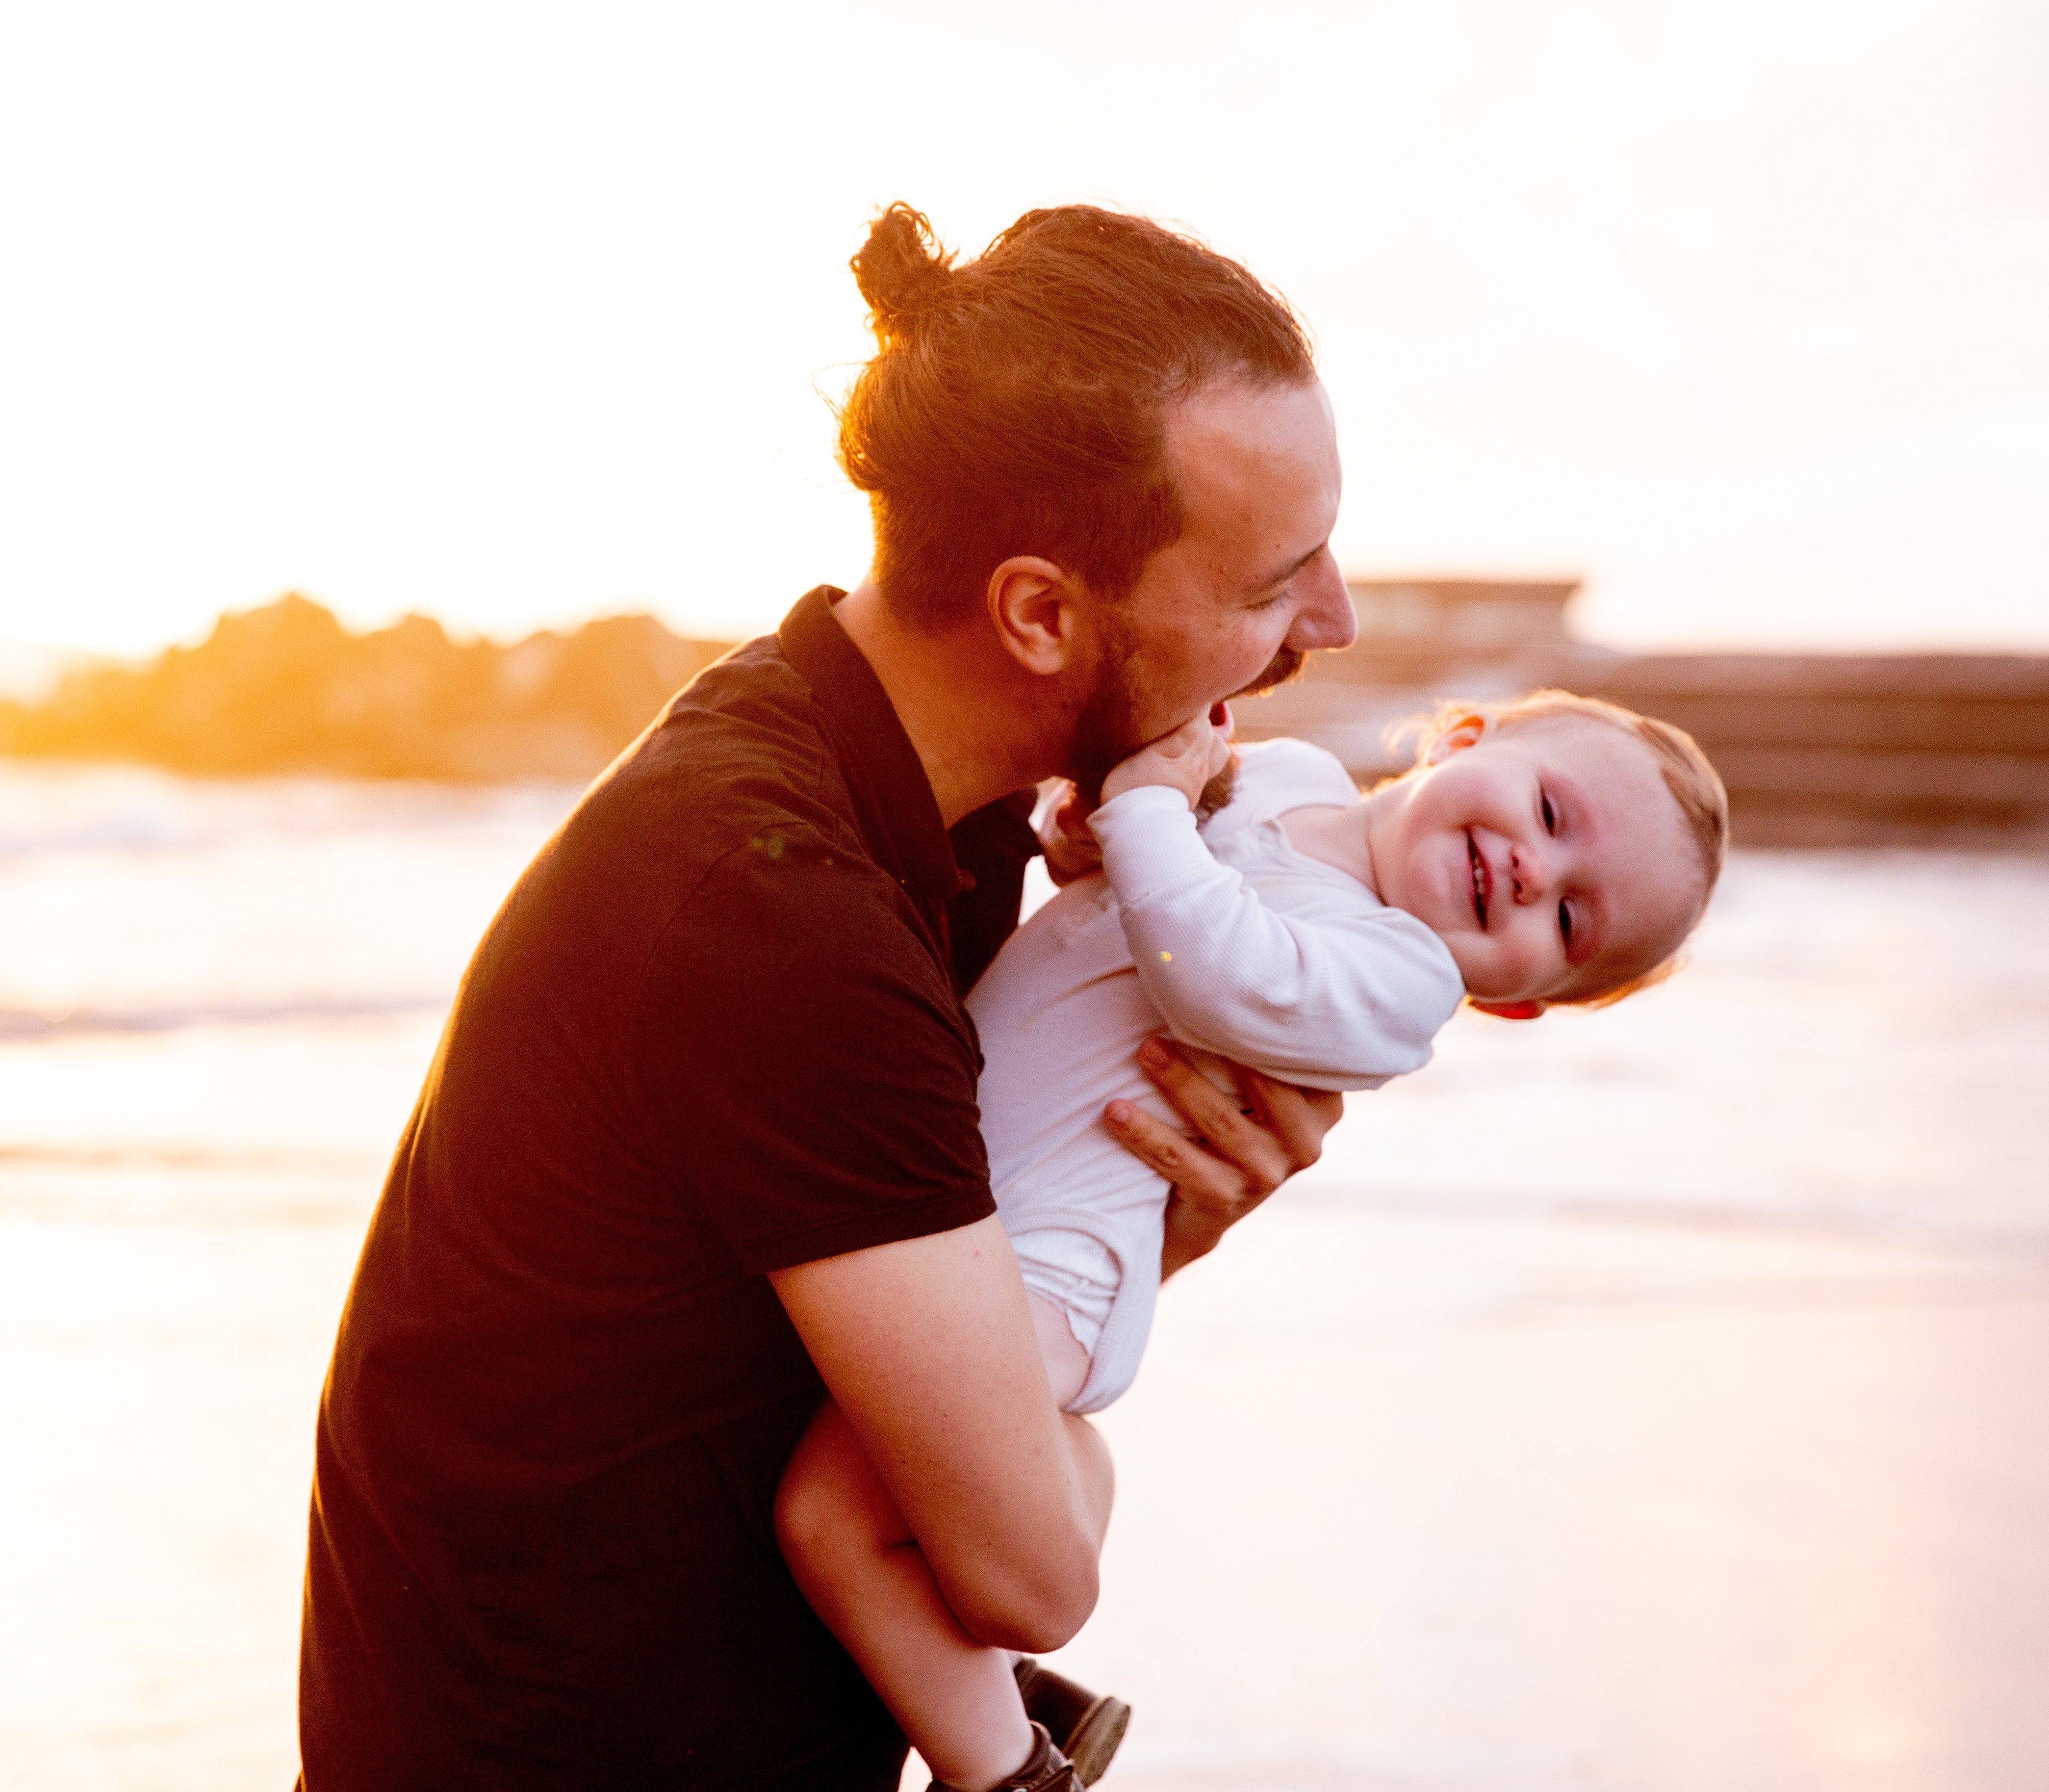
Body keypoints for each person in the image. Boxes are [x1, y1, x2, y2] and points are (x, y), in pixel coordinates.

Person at [297, 199, 1361, 1791]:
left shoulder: (936, 807)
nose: (1333, 623)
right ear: (1039, 613)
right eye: (1279, 580)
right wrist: (1061, 1431)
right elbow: (1029, 1575)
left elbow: (897, 1311)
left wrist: (1149, 1217)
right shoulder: (774, 906)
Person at [773, 690, 1730, 1787]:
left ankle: (1004, 1767)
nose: (1531, 874)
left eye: (1568, 921)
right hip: (966, 1205)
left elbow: (1214, 973)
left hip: (1046, 1268)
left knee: (830, 1511)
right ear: (1465, 737)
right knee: (907, 1482)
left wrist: (1143, 816)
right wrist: (1082, 835)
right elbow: (1117, 895)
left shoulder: (1395, 983)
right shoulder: (1288, 780)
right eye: (1552, 815)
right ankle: (1013, 1639)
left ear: (1512, 1007)